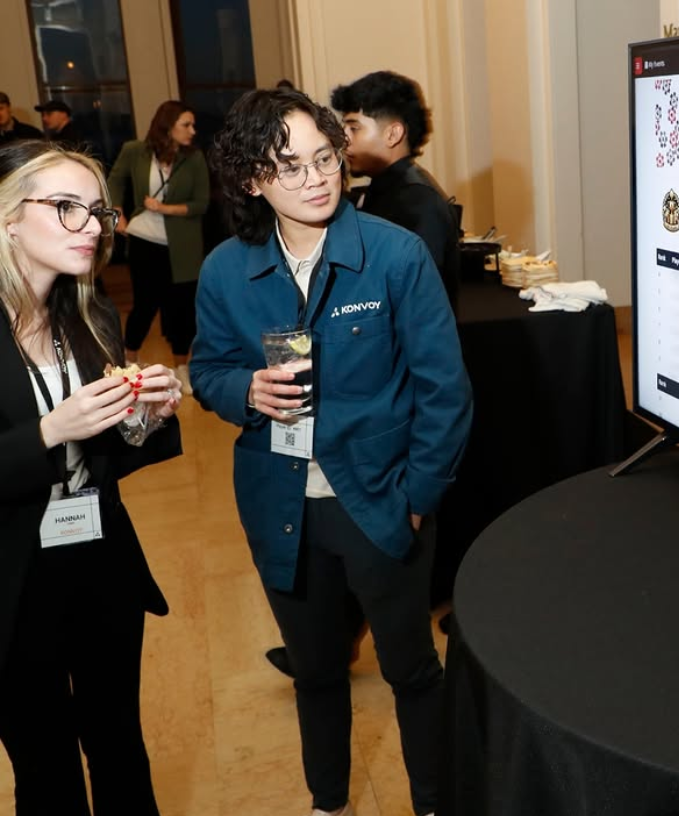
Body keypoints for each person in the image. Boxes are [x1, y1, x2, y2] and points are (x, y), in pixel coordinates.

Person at [190, 89, 471, 816]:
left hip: (381, 500)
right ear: (253, 179)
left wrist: (416, 501)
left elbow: (446, 393)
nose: (317, 179)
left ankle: (436, 802)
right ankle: (329, 802)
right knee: (316, 672)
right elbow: (209, 369)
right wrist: (244, 392)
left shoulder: (395, 255)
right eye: (291, 167)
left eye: (326, 159)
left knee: (410, 670)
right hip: (281, 507)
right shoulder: (226, 270)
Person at [0, 139, 184, 815]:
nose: (91, 227)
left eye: (98, 212)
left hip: (99, 558)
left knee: (118, 742)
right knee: (44, 761)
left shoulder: (89, 311)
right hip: (14, 578)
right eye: (65, 208)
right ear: (8, 216)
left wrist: (145, 415)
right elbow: (54, 437)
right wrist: (53, 429)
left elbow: (107, 456)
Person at [331, 71, 460, 314]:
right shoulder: (387, 188)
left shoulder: (418, 201)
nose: (343, 139)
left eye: (354, 128)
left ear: (393, 134)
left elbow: (418, 299)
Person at [108, 101, 209, 393]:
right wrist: (118, 215)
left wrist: (166, 208)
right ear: (168, 125)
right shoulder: (135, 151)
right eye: (186, 125)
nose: (193, 130)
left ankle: (182, 368)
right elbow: (115, 180)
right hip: (144, 241)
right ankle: (128, 365)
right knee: (144, 305)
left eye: (192, 124)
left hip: (183, 246)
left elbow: (200, 204)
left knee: (182, 310)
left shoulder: (194, 158)